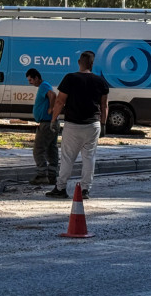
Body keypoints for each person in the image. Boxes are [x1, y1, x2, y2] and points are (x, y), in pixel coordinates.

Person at [46, 51, 109, 200]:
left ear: (79, 62)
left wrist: (53, 120)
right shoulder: (101, 81)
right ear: (92, 64)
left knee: (68, 158)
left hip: (73, 125)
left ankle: (61, 188)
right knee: (89, 157)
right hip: (93, 125)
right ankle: (85, 189)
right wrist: (104, 124)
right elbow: (104, 105)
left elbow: (60, 101)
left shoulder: (70, 78)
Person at [26, 68, 58, 185]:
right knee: (51, 149)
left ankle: (42, 175)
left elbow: (53, 95)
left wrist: (51, 108)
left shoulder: (44, 86)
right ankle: (52, 175)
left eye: (31, 80)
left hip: (46, 123)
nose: (30, 82)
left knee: (38, 150)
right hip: (51, 123)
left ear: (36, 78)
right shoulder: (45, 85)